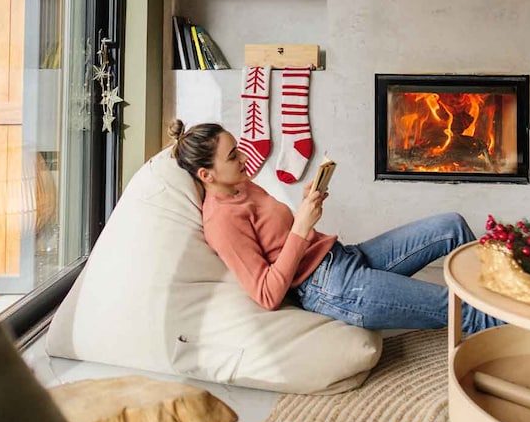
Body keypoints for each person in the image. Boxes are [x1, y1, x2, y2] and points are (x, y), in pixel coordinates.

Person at [169, 120, 503, 334]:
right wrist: (301, 227)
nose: (243, 158)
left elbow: (278, 235)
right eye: (232, 156)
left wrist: (305, 205)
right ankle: (528, 337)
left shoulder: (242, 185)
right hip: (331, 289)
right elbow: (267, 294)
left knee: (452, 226)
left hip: (341, 257)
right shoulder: (221, 221)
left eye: (238, 149)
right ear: (206, 175)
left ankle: (500, 300)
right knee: (458, 308)